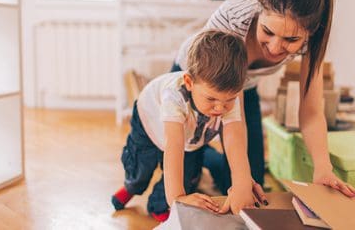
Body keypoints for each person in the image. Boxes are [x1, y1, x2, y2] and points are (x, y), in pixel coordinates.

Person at [172, 0, 355, 198]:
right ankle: (199, 153)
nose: (274, 47)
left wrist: (323, 168)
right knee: (188, 178)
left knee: (254, 184)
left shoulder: (313, 41)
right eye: (268, 32)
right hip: (200, 81)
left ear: (310, 33)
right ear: (259, 11)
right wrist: (240, 177)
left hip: (245, 86)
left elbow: (311, 111)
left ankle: (208, 157)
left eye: (290, 39)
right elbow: (233, 118)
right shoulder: (233, 17)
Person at [111, 30, 266, 222]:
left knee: (188, 179)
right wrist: (177, 198)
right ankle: (131, 187)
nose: (220, 108)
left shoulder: (228, 98)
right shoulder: (174, 96)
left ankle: (158, 204)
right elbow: (173, 148)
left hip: (191, 135)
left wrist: (242, 182)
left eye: (229, 100)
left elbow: (235, 139)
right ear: (189, 82)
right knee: (142, 167)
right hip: (150, 122)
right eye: (211, 99)